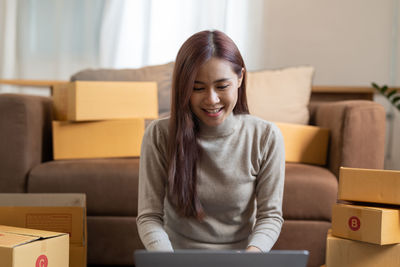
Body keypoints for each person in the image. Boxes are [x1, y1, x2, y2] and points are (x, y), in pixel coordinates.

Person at [137, 30, 285, 253]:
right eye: (197, 88)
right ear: (183, 88)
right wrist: (167, 261)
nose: (211, 99)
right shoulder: (158, 134)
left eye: (222, 86)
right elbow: (149, 216)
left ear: (240, 78)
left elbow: (270, 216)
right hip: (176, 259)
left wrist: (250, 258)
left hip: (241, 260)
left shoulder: (266, 136)